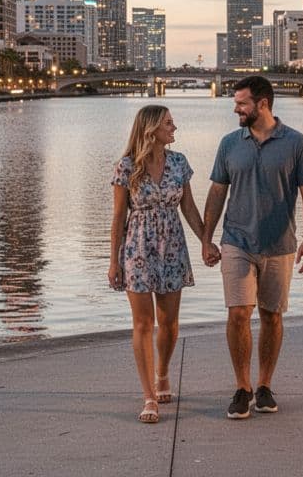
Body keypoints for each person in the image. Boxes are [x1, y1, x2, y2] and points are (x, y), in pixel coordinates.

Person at [201, 75, 303, 420]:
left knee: (271, 314)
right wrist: (207, 239)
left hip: (280, 243)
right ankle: (242, 387)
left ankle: (265, 385)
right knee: (238, 313)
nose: (236, 109)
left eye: (241, 103)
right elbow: (216, 192)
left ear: (262, 104)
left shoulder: (296, 143)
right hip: (236, 240)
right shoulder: (229, 143)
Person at [108, 104, 208, 424]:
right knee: (142, 323)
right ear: (151, 129)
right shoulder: (126, 167)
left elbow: (189, 208)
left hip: (173, 247)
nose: (174, 128)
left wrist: (206, 240)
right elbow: (118, 217)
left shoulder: (179, 163)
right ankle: (149, 395)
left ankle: (162, 372)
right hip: (136, 249)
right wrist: (113, 261)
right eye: (169, 123)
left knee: (169, 322)